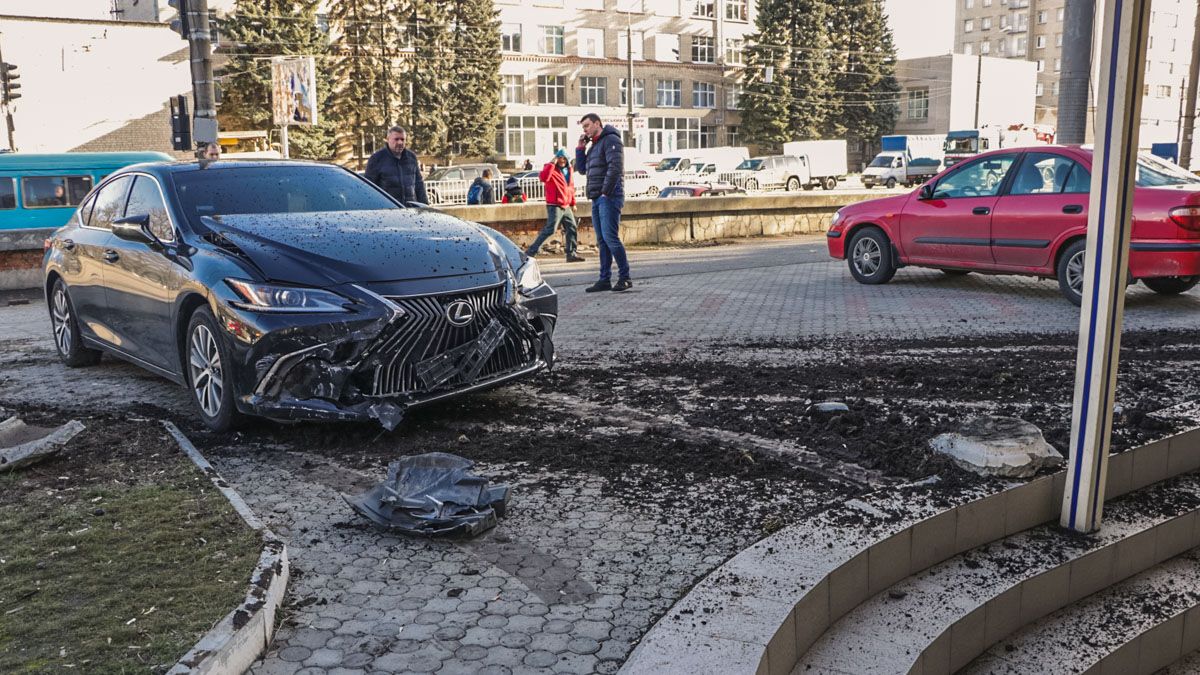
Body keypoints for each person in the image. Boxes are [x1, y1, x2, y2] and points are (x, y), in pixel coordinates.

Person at [575, 113, 631, 292]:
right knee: (602, 240)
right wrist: (580, 148)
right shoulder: (594, 146)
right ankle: (604, 279)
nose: (585, 130)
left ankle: (625, 277)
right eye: (583, 127)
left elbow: (615, 168)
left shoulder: (611, 140)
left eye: (587, 126)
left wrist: (606, 192)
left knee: (610, 238)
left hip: (609, 196)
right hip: (597, 197)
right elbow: (582, 169)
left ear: (597, 123)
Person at [527, 149, 584, 263]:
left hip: (566, 204)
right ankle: (531, 251)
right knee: (550, 229)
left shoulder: (569, 169)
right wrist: (552, 163)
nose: (562, 160)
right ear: (556, 158)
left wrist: (573, 203)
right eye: (560, 158)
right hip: (554, 204)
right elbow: (543, 178)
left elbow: (570, 188)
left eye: (564, 158)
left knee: (572, 227)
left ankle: (571, 254)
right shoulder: (551, 168)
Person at [365, 126, 429, 205]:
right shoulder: (376, 159)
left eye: (402, 139)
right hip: (388, 211)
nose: (400, 142)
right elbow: (368, 189)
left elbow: (419, 185)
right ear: (388, 140)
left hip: (410, 210)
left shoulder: (411, 157)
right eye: (396, 139)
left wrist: (425, 206)